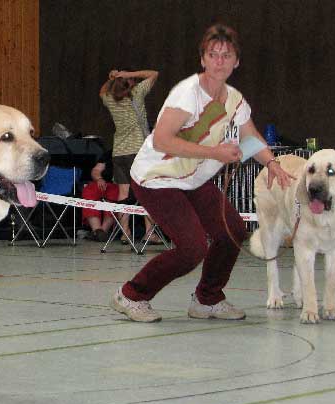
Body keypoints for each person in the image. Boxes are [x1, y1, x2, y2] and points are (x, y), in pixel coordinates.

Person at [110, 23, 294, 323]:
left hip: (192, 179)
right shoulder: (186, 95)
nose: (220, 60)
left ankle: (207, 299)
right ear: (203, 60)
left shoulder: (234, 100)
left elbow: (251, 138)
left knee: (232, 229)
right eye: (213, 54)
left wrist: (272, 163)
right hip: (156, 178)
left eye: (227, 55)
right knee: (192, 248)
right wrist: (215, 153)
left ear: (236, 62)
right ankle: (132, 294)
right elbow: (162, 140)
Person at [100, 67, 162, 244]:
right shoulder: (137, 94)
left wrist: (111, 78)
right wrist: (128, 75)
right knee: (145, 192)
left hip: (119, 153)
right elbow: (154, 74)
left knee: (123, 193)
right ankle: (150, 232)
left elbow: (102, 91)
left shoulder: (109, 99)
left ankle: (124, 231)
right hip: (138, 152)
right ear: (130, 84)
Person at [81, 151, 118, 242]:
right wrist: (99, 178)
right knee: (89, 190)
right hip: (104, 182)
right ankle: (97, 230)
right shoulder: (109, 153)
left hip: (119, 185)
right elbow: (96, 170)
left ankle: (103, 231)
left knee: (114, 195)